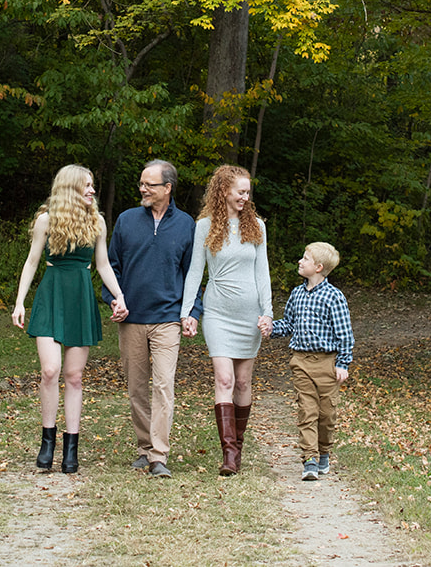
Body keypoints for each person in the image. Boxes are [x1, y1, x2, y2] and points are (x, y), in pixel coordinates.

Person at [12, 164, 128, 474]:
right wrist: (20, 301)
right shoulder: (46, 221)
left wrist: (119, 296)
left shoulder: (98, 223)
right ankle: (47, 441)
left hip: (79, 299)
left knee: (74, 377)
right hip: (52, 296)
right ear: (70, 188)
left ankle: (71, 447)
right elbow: (32, 260)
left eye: (93, 186)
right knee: (50, 370)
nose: (92, 190)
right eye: (86, 185)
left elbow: (103, 265)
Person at [102, 159, 201, 478]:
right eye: (141, 183)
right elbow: (110, 266)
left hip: (168, 318)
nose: (142, 189)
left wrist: (192, 312)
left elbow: (193, 274)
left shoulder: (187, 225)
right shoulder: (127, 220)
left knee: (163, 385)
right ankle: (145, 447)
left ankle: (159, 455)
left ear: (167, 188)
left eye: (149, 184)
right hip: (131, 318)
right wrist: (113, 300)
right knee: (136, 389)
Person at [179, 163, 273, 476]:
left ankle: (239, 444)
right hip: (217, 312)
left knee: (243, 381)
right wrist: (187, 311)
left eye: (248, 192)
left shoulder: (257, 226)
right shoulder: (205, 226)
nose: (246, 197)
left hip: (249, 315)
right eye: (241, 191)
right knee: (224, 380)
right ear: (224, 191)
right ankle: (229, 455)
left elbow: (263, 275)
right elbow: (195, 271)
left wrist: (267, 313)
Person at [265, 241, 354, 481]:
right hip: (301, 361)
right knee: (307, 411)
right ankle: (310, 459)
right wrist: (270, 329)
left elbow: (345, 334)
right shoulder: (296, 294)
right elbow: (289, 324)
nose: (300, 261)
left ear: (318, 267)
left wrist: (343, 363)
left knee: (327, 415)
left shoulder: (334, 297)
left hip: (327, 364)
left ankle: (324, 451)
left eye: (305, 258)